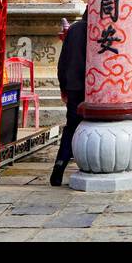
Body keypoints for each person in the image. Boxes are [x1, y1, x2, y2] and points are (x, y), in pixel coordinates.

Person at [50, 12, 87, 186]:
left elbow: (63, 62)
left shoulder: (73, 29)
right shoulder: (102, 30)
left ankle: (60, 164)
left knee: (72, 127)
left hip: (74, 87)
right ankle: (88, 164)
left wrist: (63, 87)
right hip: (96, 87)